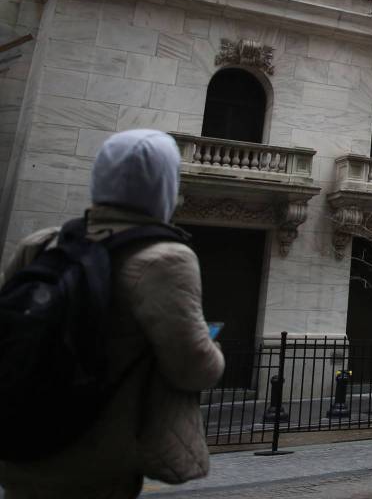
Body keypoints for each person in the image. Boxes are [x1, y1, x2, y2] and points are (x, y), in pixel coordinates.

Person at [0, 130, 225, 499]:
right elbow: (194, 367)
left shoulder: (42, 243)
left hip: (20, 444)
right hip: (96, 455)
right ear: (165, 185)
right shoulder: (165, 259)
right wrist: (214, 351)